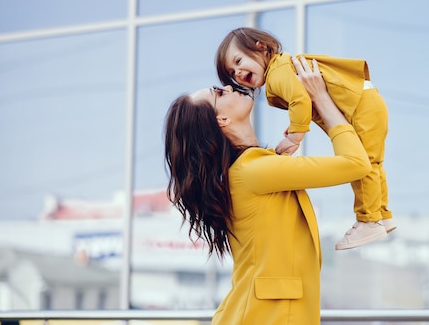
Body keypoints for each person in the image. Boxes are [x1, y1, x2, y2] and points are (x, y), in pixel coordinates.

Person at [164, 57, 371, 325]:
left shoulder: (252, 168)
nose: (228, 88)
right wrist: (320, 98)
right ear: (222, 119)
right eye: (218, 93)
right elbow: (356, 164)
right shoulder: (254, 171)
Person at [215, 27, 395, 250]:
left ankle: (369, 220)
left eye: (239, 61)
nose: (238, 73)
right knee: (374, 163)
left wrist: (295, 137)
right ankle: (383, 215)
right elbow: (303, 100)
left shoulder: (276, 74)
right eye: (232, 72)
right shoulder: (282, 67)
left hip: (360, 106)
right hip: (367, 102)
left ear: (261, 48)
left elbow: (299, 100)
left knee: (365, 167)